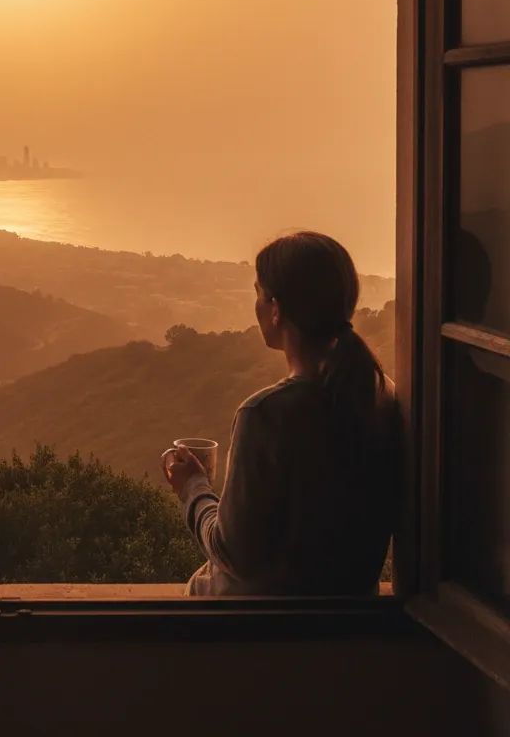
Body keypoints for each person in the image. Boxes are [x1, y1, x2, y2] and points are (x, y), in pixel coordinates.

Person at [163, 231, 399, 596]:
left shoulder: (265, 415)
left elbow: (234, 554)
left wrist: (193, 488)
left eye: (258, 293)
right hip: (352, 623)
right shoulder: (382, 396)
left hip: (267, 634)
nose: (255, 305)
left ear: (275, 309)